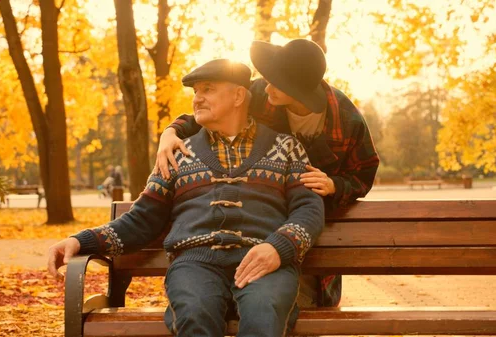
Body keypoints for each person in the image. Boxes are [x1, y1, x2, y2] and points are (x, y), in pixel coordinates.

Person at [47, 59, 324, 336]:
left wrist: (278, 248)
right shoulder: (176, 154)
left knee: (264, 312)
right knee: (194, 313)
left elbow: (308, 209)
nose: (197, 98)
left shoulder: (287, 148)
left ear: (239, 95)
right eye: (195, 92)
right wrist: (79, 240)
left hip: (264, 259)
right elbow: (142, 219)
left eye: (207, 89)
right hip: (195, 264)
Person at [155, 39, 380, 308]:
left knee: (301, 305)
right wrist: (171, 132)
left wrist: (335, 185)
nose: (265, 84)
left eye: (276, 82)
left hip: (309, 225)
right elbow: (212, 113)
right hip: (261, 223)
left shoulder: (346, 119)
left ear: (298, 92)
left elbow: (363, 174)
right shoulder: (263, 93)